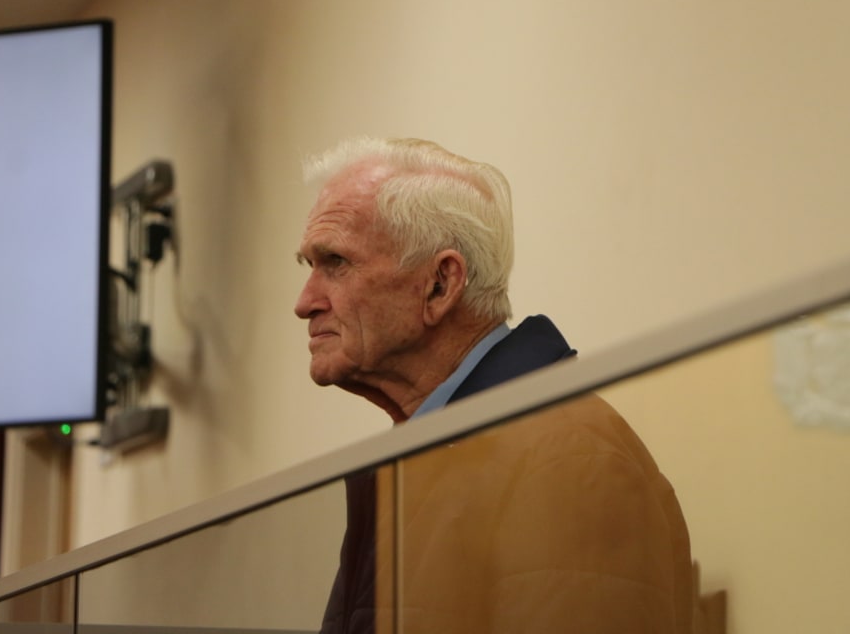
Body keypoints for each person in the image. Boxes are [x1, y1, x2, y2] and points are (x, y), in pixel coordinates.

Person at [295, 137, 693, 634]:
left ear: (440, 285)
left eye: (335, 262)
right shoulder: (431, 459)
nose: (305, 302)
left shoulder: (568, 457)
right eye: (309, 266)